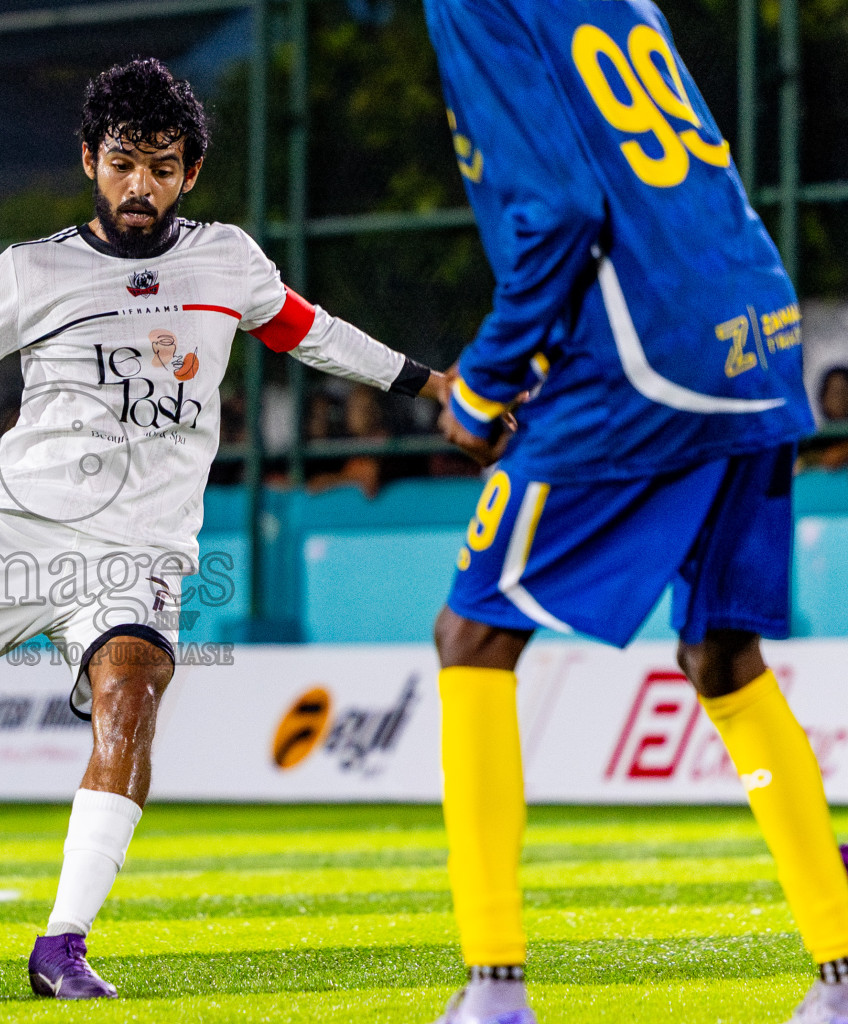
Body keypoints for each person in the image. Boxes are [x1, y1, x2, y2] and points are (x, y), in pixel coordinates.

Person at [0, 58, 448, 1001]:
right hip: (13, 540)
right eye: (123, 163)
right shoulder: (33, 271)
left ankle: (61, 945)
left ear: (190, 173)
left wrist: (433, 385)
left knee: (132, 695)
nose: (140, 185)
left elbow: (314, 331)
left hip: (139, 556)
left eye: (162, 167)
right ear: (90, 162)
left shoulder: (228, 262)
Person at [423, 1, 843, 1022]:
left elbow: (562, 210)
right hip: (758, 330)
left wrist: (483, 383)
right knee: (722, 655)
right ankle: (842, 971)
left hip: (648, 357)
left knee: (473, 635)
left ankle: (495, 990)